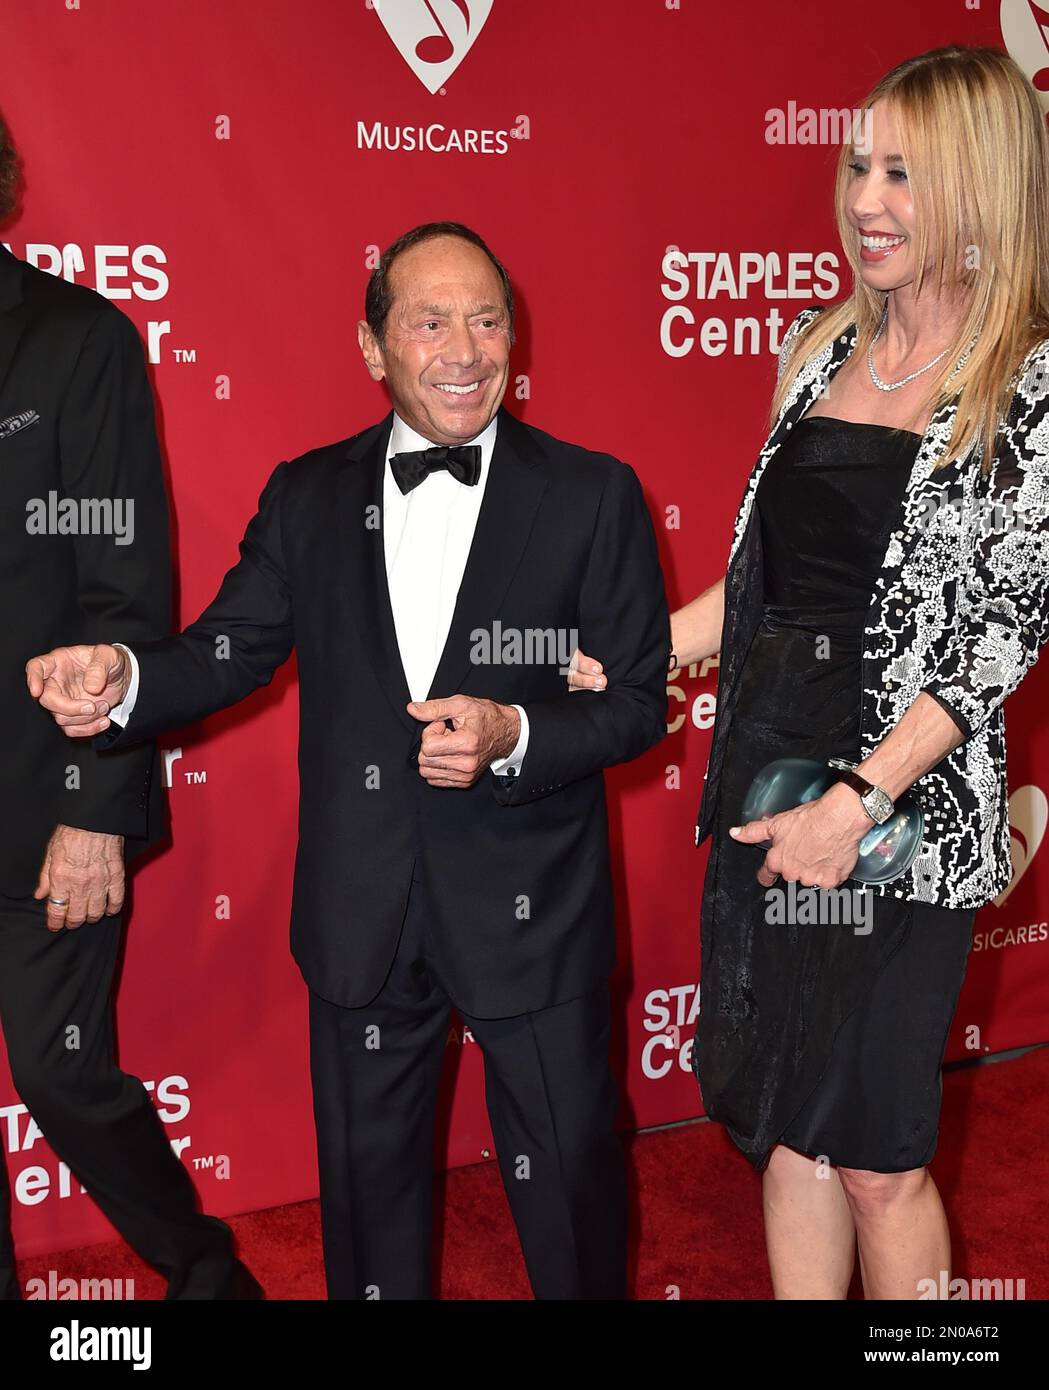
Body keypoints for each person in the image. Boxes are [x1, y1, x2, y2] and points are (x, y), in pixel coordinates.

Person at [28, 222, 670, 1299]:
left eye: (485, 319)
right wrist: (123, 680)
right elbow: (223, 653)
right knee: (368, 1214)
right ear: (372, 349)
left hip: (532, 910)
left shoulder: (592, 493)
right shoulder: (308, 495)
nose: (464, 349)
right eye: (428, 321)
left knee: (571, 1194)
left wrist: (517, 734)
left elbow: (640, 702)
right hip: (361, 909)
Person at [568, 46, 1049, 1299]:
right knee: (787, 1123)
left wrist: (857, 804)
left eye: (904, 173)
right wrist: (625, 661)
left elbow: (997, 633)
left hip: (896, 807)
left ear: (982, 191)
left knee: (878, 1153)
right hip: (768, 783)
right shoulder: (817, 344)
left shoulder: (1031, 381)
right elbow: (759, 586)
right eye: (856, 167)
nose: (866, 200)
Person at [0, 117, 258, 1299]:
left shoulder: (73, 342)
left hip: (40, 785)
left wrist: (99, 803)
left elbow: (120, 589)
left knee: (63, 1077)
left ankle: (204, 1272)